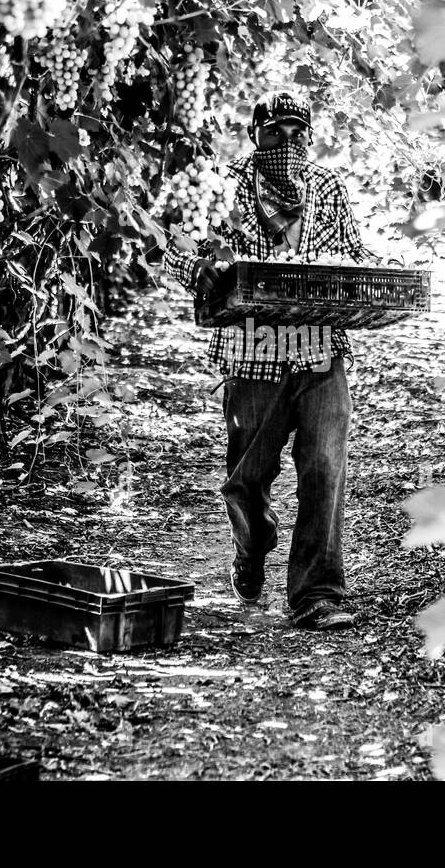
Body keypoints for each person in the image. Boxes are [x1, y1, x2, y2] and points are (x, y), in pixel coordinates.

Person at [162, 90, 381, 631]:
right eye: (274, 132)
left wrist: (376, 277)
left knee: (325, 469)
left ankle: (317, 593)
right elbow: (175, 246)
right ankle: (252, 549)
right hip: (250, 353)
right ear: (255, 135)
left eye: (297, 132)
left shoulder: (326, 186)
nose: (287, 142)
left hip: (319, 350)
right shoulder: (226, 185)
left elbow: (352, 257)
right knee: (247, 479)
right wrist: (199, 267)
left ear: (309, 137)